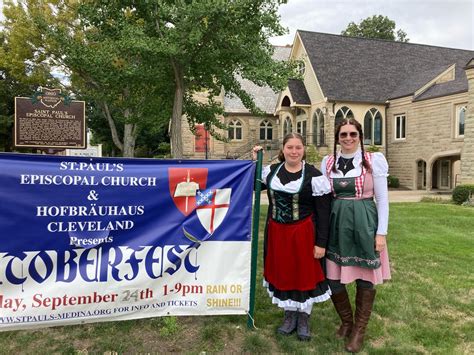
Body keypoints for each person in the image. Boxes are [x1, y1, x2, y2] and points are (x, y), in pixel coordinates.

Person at [252, 132, 332, 341]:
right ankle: (289, 315)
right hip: (277, 233)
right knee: (284, 272)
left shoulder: (315, 176)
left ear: (304, 149)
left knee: (304, 274)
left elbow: (324, 213)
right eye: (290, 147)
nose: (294, 151)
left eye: (298, 147)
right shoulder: (271, 172)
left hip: (304, 233)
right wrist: (255, 161)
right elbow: (252, 184)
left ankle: (304, 317)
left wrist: (321, 243)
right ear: (283, 149)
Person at [321, 118, 391, 353]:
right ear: (337, 137)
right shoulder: (328, 162)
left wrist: (381, 233)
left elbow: (382, 200)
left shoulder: (373, 161)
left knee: (365, 276)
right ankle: (347, 322)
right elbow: (322, 195)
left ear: (360, 136)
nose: (348, 138)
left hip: (365, 222)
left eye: (353, 134)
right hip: (337, 223)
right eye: (343, 134)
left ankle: (359, 329)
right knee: (332, 277)